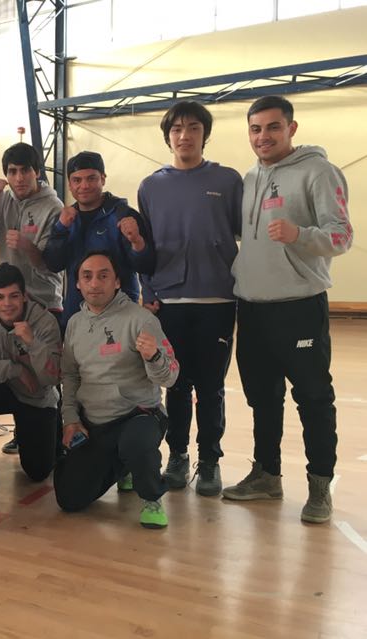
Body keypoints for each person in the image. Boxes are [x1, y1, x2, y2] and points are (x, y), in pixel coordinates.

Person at [223, 96, 353, 524]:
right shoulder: (249, 178)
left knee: (313, 398)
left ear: (291, 129)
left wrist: (300, 234)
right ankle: (267, 475)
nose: (263, 136)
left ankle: (320, 485)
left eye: (272, 127)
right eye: (255, 129)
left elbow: (342, 236)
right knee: (263, 399)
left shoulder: (319, 171)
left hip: (299, 307)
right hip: (252, 308)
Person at [137, 101, 242, 496]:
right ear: (168, 137)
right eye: (177, 129)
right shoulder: (151, 186)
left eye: (193, 128)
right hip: (170, 303)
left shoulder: (228, 180)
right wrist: (149, 290)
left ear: (204, 135)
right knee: (176, 384)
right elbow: (143, 247)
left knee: (211, 387)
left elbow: (246, 234)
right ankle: (177, 455)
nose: (185, 135)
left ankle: (210, 460)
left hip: (218, 300)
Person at [55, 251, 178, 528]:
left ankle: (152, 498)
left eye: (103, 276)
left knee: (135, 443)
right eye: (87, 277)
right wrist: (71, 420)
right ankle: (124, 466)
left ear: (117, 281)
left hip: (137, 415)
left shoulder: (141, 320)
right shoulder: (74, 324)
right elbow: (70, 377)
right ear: (77, 284)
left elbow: (170, 377)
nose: (94, 283)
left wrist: (154, 357)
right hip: (95, 422)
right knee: (69, 499)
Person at [0, 142, 64, 454]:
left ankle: (56, 435)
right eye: (13, 172)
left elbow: (50, 263)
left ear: (37, 172)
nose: (19, 178)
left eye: (25, 171)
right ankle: (25, 431)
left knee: (46, 372)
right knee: (17, 367)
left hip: (44, 301)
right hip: (10, 304)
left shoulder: (53, 207)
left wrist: (26, 245)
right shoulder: (4, 200)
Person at [0, 263, 61, 482]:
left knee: (38, 471)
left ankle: (53, 427)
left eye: (14, 296)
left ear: (25, 296)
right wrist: (14, 370)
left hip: (35, 395)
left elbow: (53, 378)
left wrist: (32, 342)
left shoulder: (45, 322)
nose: (7, 304)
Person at [43, 151, 154, 333]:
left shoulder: (123, 215)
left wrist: (137, 242)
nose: (84, 186)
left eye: (91, 178)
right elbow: (53, 264)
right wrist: (60, 230)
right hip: (77, 314)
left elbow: (147, 266)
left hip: (120, 314)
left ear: (103, 178)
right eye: (77, 180)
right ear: (69, 184)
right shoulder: (65, 219)